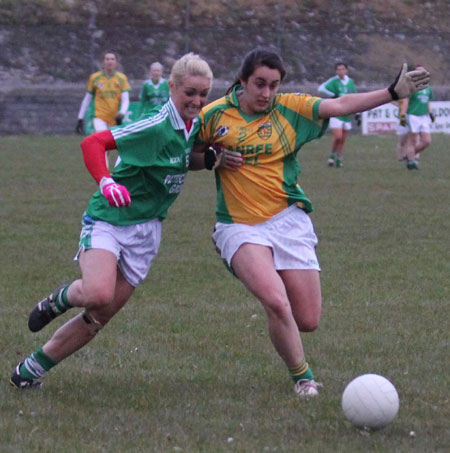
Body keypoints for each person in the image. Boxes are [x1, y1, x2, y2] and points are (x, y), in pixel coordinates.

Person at [196, 48, 429, 398]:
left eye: (273, 85)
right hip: (238, 225)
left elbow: (340, 105)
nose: (266, 93)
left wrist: (392, 93)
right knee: (276, 301)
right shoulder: (213, 115)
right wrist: (210, 158)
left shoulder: (289, 107)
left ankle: (287, 334)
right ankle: (303, 378)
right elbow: (185, 154)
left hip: (288, 220)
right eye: (259, 84)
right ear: (242, 80)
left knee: (307, 320)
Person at [10, 53, 214, 389]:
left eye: (203, 93)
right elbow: (94, 143)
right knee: (97, 293)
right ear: (172, 87)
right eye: (190, 92)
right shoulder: (156, 124)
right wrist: (107, 182)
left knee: (99, 317)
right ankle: (59, 299)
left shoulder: (194, 124)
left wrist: (207, 159)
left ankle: (31, 370)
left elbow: (180, 160)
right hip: (110, 220)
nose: (197, 100)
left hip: (147, 231)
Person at [76, 51, 131, 135]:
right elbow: (87, 99)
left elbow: (125, 100)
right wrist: (80, 118)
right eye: (107, 59)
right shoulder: (95, 78)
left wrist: (121, 114)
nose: (110, 61)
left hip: (115, 118)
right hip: (99, 117)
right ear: (103, 62)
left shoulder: (121, 78)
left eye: (112, 59)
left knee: (113, 145)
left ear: (116, 63)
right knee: (102, 140)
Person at [318, 62, 360, 168]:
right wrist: (333, 94)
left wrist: (358, 113)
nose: (340, 71)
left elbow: (355, 97)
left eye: (342, 69)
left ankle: (339, 158)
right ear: (336, 71)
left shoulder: (350, 82)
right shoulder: (334, 81)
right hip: (336, 112)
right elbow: (321, 89)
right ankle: (332, 154)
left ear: (346, 70)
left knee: (343, 139)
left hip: (347, 114)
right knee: (338, 136)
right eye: (338, 69)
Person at [399, 64, 434, 170]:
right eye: (418, 71)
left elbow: (427, 101)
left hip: (423, 117)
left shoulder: (427, 86)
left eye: (423, 71)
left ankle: (410, 156)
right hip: (413, 116)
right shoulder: (411, 86)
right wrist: (403, 115)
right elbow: (405, 101)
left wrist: (431, 113)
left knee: (426, 141)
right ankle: (412, 163)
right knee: (413, 141)